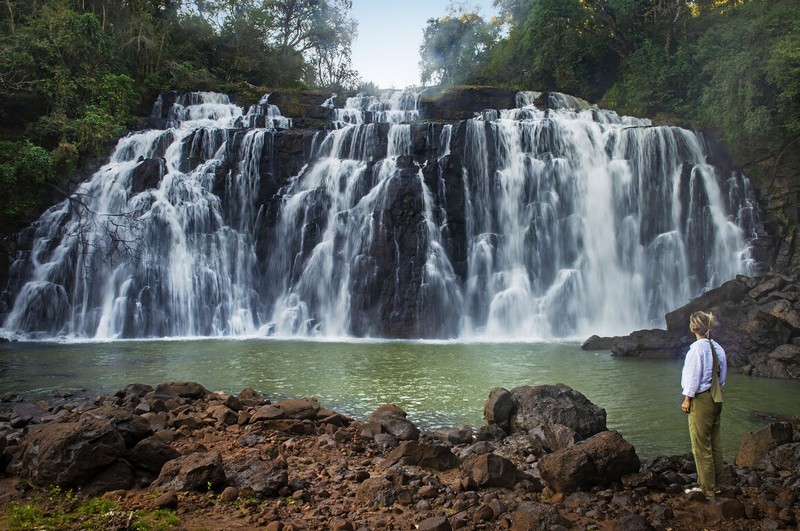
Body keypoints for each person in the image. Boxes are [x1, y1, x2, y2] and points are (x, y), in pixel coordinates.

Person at [680, 310, 727, 495]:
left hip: (701, 400)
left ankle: (707, 487)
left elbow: (693, 378)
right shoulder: (718, 348)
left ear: (693, 328)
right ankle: (719, 482)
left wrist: (687, 399)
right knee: (715, 441)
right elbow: (722, 377)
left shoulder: (697, 350)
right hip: (716, 397)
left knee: (700, 444)